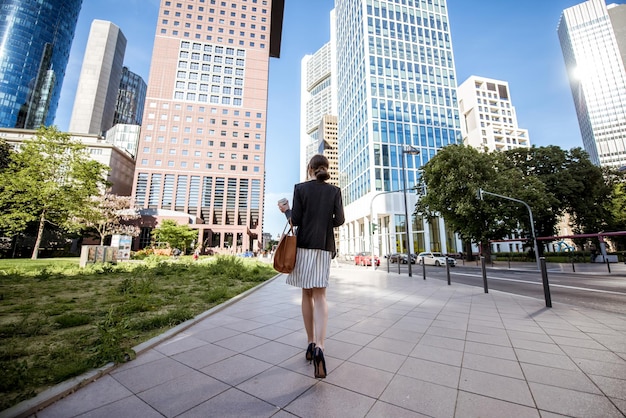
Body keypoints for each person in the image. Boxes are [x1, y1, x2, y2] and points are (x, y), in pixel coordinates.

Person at [278, 154, 344, 378]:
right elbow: (340, 220)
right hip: (324, 247)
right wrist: (325, 221)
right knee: (321, 297)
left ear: (310, 169)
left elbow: (295, 220)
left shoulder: (300, 189)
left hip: (304, 247)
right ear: (326, 169)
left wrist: (286, 210)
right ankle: (321, 347)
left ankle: (309, 343)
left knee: (307, 296)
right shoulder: (334, 191)